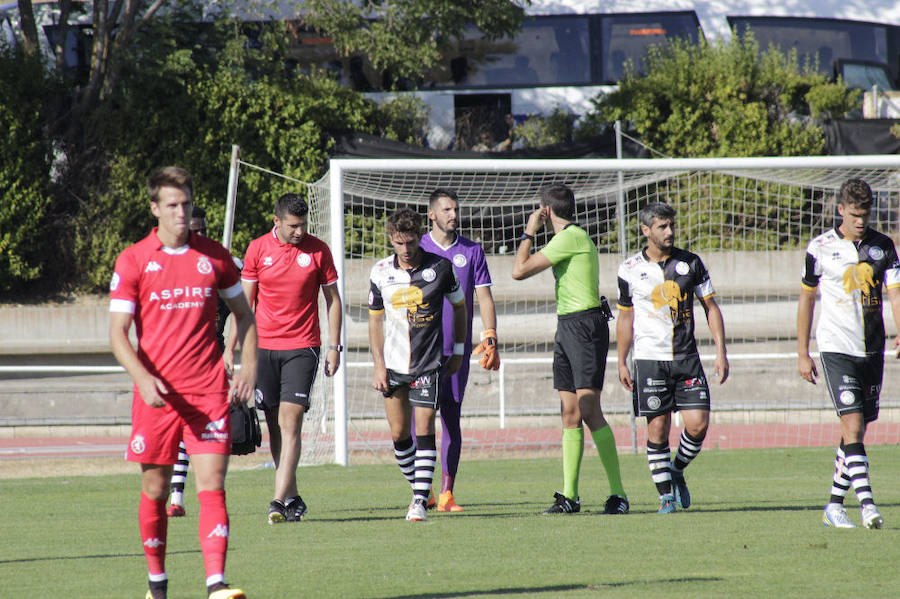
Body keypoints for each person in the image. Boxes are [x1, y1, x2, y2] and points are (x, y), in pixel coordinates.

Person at [109, 166, 257, 599]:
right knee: (155, 489)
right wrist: (143, 377)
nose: (180, 212)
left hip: (208, 389)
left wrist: (248, 366)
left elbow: (246, 316)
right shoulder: (134, 259)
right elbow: (118, 334)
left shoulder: (215, 257)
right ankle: (157, 583)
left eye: (186, 204)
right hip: (156, 395)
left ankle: (216, 583)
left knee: (212, 483)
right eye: (172, 205)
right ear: (155, 208)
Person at [512, 184, 629, 515]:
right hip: (567, 325)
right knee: (569, 412)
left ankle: (618, 494)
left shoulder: (570, 237)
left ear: (545, 210)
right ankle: (570, 496)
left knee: (589, 409)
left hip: (584, 326)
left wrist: (528, 230)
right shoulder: (566, 239)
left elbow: (518, 270)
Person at [228, 193, 343, 524]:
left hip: (302, 347)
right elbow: (244, 303)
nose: (299, 231)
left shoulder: (318, 250)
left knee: (291, 421)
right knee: (275, 426)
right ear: (276, 222)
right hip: (262, 348)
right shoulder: (257, 250)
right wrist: (230, 348)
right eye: (293, 226)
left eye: (303, 225)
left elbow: (333, 300)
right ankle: (293, 497)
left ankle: (277, 501)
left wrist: (334, 347)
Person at [798, 178, 900, 529]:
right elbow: (807, 299)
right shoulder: (820, 248)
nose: (861, 221)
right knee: (853, 425)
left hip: (872, 349)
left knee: (856, 430)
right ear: (840, 210)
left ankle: (833, 505)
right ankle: (868, 506)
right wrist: (802, 351)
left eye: (866, 214)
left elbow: (895, 294)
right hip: (835, 347)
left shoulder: (884, 246)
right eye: (855, 214)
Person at [615, 201, 728, 514]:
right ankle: (665, 497)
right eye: (662, 226)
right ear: (646, 230)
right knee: (658, 430)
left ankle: (676, 469)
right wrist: (621, 360)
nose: (670, 232)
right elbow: (625, 318)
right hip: (650, 360)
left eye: (671, 225)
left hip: (686, 357)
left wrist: (721, 351)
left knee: (697, 425)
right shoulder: (629, 269)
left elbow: (711, 308)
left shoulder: (690, 263)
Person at [368, 208, 467, 521]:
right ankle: (420, 489)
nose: (406, 249)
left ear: (418, 237)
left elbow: (461, 307)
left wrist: (460, 350)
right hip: (394, 367)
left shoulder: (440, 268)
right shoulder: (380, 272)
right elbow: (374, 322)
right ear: (391, 241)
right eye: (399, 243)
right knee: (399, 435)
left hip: (428, 363)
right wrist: (378, 365)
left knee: (424, 428)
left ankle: (419, 503)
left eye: (410, 242)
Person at [417, 188, 498, 512]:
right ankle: (423, 489)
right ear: (432, 214)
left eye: (456, 209)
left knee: (452, 418)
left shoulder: (472, 251)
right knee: (419, 422)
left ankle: (447, 493)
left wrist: (490, 335)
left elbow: (485, 297)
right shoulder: (417, 248)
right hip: (420, 351)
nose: (453, 214)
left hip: (457, 352)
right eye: (447, 209)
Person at [167, 206, 244, 518]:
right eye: (190, 229)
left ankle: (186, 496)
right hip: (176, 361)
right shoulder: (166, 265)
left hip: (213, 361)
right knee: (180, 427)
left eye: (200, 230)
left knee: (203, 429)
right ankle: (175, 494)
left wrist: (233, 355)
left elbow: (245, 309)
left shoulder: (223, 264)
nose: (194, 235)